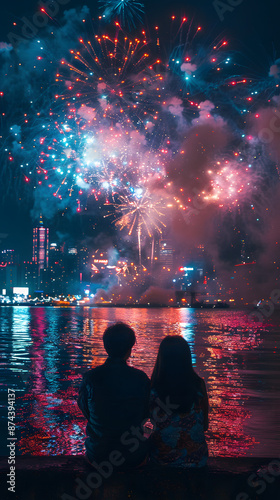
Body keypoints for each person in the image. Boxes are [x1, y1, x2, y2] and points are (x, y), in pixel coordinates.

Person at [78, 322, 150, 469]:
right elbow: (146, 413)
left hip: (98, 455)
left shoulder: (91, 378)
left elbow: (86, 409)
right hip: (132, 455)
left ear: (106, 347)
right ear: (130, 349)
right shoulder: (141, 378)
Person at [149, 335, 209, 468]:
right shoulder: (199, 385)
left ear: (161, 359)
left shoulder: (153, 389)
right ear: (187, 358)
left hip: (162, 460)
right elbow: (205, 426)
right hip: (197, 460)